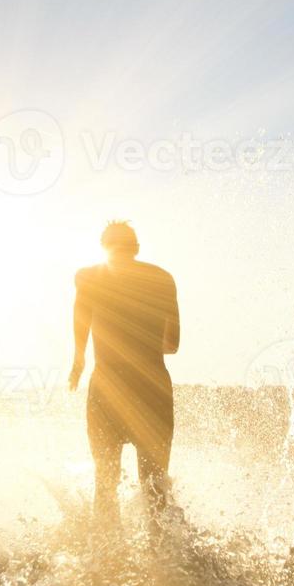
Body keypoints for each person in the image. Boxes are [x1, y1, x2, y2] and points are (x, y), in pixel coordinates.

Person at [69, 221, 180, 525]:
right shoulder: (163, 279)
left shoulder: (88, 277)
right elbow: (173, 344)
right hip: (153, 389)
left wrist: (78, 360)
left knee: (105, 484)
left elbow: (81, 322)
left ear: (104, 248)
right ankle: (170, 567)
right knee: (155, 489)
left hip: (108, 388)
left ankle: (106, 565)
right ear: (137, 248)